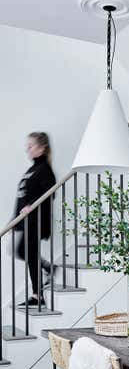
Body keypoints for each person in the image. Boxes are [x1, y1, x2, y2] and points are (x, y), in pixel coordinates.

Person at [15, 132, 56, 308]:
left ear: (41, 148)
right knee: (24, 252)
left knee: (27, 253)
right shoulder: (32, 169)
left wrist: (31, 206)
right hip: (28, 222)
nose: (27, 149)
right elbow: (22, 196)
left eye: (30, 145)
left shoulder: (44, 169)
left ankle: (37, 295)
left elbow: (49, 194)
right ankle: (47, 270)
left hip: (37, 222)